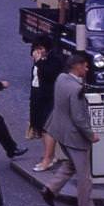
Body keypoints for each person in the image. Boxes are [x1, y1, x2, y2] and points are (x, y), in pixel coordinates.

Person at [40, 53, 104, 206]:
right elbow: (79, 118)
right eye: (85, 66)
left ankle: (50, 189)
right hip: (74, 136)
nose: (87, 68)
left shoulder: (61, 79)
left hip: (59, 131)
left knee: (71, 165)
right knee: (84, 174)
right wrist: (91, 135)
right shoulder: (76, 90)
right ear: (77, 66)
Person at [29, 39, 62, 172]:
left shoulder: (54, 60)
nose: (39, 51)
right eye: (37, 48)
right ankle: (50, 155)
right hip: (37, 96)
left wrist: (39, 62)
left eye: (41, 48)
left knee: (47, 128)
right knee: (39, 126)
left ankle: (47, 159)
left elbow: (49, 75)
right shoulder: (40, 60)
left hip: (49, 97)